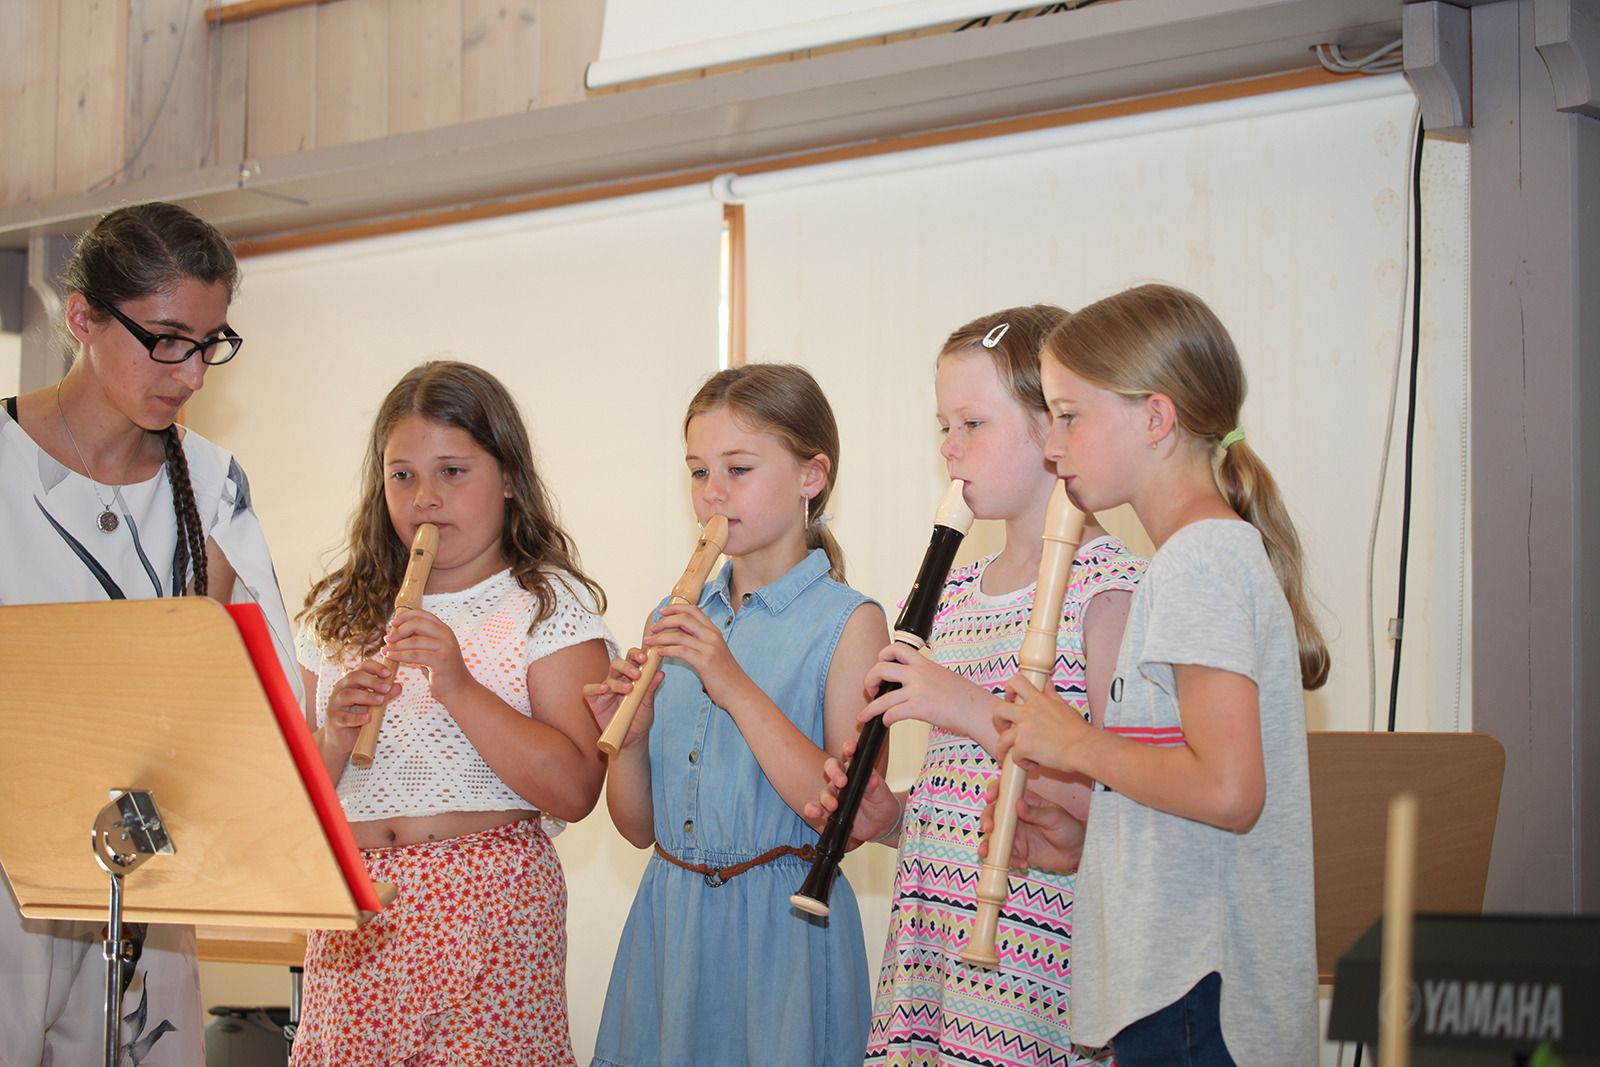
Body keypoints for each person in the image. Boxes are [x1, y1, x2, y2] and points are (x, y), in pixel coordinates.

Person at [988, 284, 1328, 1066]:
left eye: (1069, 416)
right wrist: (1090, 839)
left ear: (1155, 418)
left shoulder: (1198, 560)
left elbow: (1229, 790)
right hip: (1185, 985)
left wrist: (1073, 743)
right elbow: (1186, 796)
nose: (1052, 447)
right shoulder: (1199, 555)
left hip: (1198, 998)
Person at [806, 306, 1145, 1066]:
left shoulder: (1109, 590)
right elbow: (960, 794)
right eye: (943, 426)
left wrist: (962, 704)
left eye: (973, 424)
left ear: (1053, 427)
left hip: (1034, 963)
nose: (949, 447)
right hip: (934, 949)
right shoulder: (954, 591)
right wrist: (892, 818)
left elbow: (1130, 806)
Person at [0, 202, 294, 1067]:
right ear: (82, 317)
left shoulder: (212, 482)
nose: (192, 373)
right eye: (167, 340)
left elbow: (238, 700)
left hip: (146, 881)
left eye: (210, 343)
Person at [290, 361, 610, 1065]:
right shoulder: (338, 614)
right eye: (402, 475)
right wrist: (335, 734)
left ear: (509, 477)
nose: (425, 499)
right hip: (357, 916)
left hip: (490, 911)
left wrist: (459, 686)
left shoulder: (545, 604)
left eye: (453, 472)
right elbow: (285, 809)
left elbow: (577, 789)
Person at [586, 363, 888, 1067]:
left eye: (738, 469)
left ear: (812, 475)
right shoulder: (675, 616)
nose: (712, 493)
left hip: (785, 931)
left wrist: (731, 682)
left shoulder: (851, 623)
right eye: (698, 472)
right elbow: (638, 829)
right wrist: (628, 741)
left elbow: (845, 822)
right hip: (671, 924)